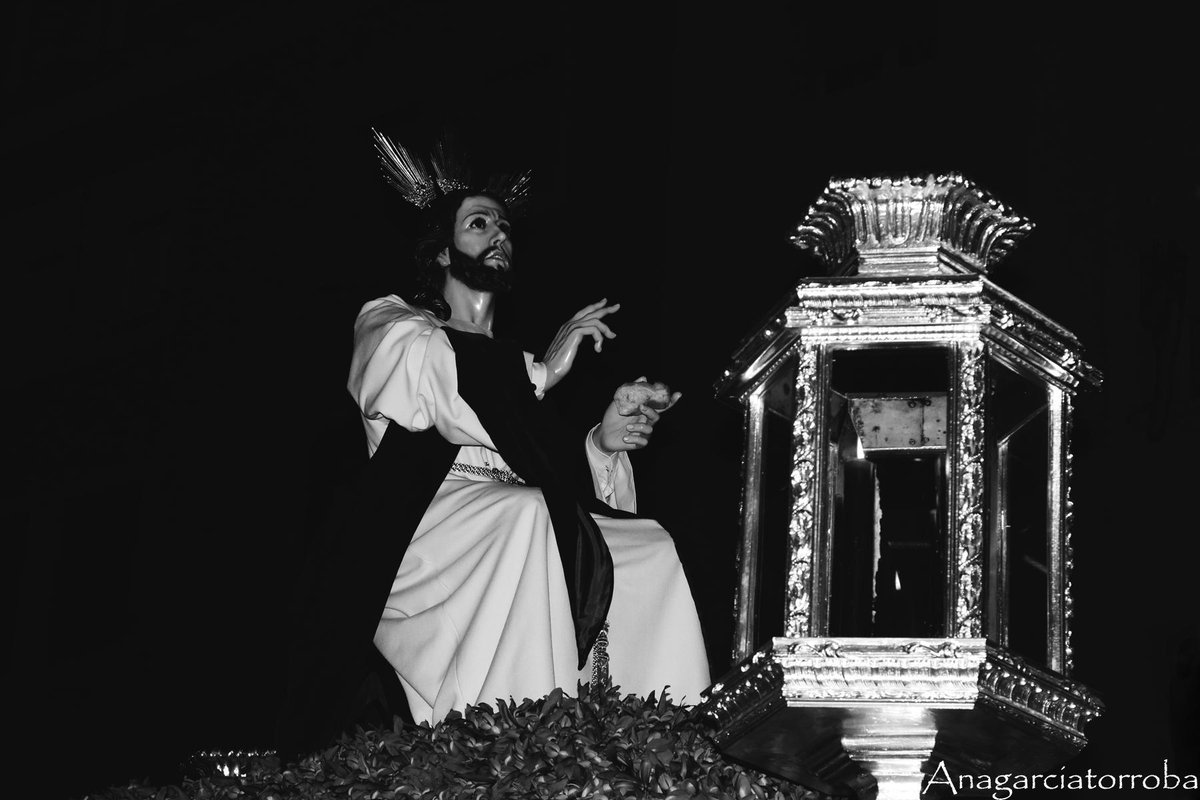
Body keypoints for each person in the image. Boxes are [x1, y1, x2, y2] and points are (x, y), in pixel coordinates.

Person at [275, 132, 709, 758]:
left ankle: (661, 748)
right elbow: (445, 393)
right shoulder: (393, 323)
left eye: (504, 226)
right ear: (445, 252)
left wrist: (603, 443)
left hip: (511, 508)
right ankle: (526, 746)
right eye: (479, 224)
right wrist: (541, 374)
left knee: (646, 545)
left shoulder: (514, 373)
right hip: (427, 525)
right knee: (525, 515)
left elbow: (544, 468)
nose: (499, 235)